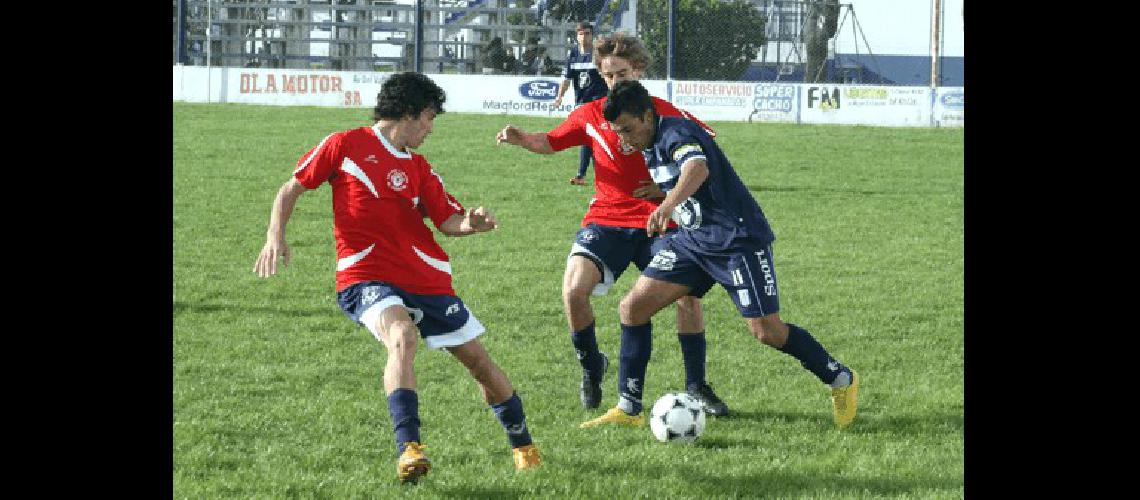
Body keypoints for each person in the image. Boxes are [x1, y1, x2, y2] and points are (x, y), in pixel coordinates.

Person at [253, 72, 541, 483]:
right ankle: (409, 449)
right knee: (402, 336)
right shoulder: (345, 145)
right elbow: (291, 189)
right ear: (408, 113)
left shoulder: (420, 168)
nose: (430, 129)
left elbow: (448, 220)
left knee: (478, 363)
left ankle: (524, 446)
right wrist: (274, 236)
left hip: (426, 279)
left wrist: (471, 223)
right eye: (428, 118)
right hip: (366, 277)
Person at [587, 79, 860, 429]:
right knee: (632, 308)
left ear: (646, 115)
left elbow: (696, 168)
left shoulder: (675, 133)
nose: (624, 139)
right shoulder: (648, 140)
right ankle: (629, 409)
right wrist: (663, 189)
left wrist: (667, 204)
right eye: (618, 132)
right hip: (693, 242)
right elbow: (684, 175)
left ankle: (841, 379)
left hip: (736, 241)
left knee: (767, 331)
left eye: (627, 129)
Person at [495, 33, 730, 420]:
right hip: (607, 217)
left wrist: (666, 187)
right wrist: (522, 139)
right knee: (573, 291)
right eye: (608, 76)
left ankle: (697, 385)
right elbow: (551, 142)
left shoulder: (663, 111)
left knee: (688, 297)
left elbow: (705, 150)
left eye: (622, 74)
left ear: (638, 71)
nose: (615, 83)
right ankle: (591, 365)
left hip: (661, 219)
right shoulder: (590, 114)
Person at [552, 22, 608, 186]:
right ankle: (592, 175)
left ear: (592, 35)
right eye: (581, 34)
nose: (584, 37)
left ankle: (585, 174)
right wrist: (559, 96)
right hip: (582, 104)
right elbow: (566, 79)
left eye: (587, 33)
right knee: (589, 139)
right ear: (576, 36)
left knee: (592, 138)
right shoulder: (574, 54)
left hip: (599, 102)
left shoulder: (598, 54)